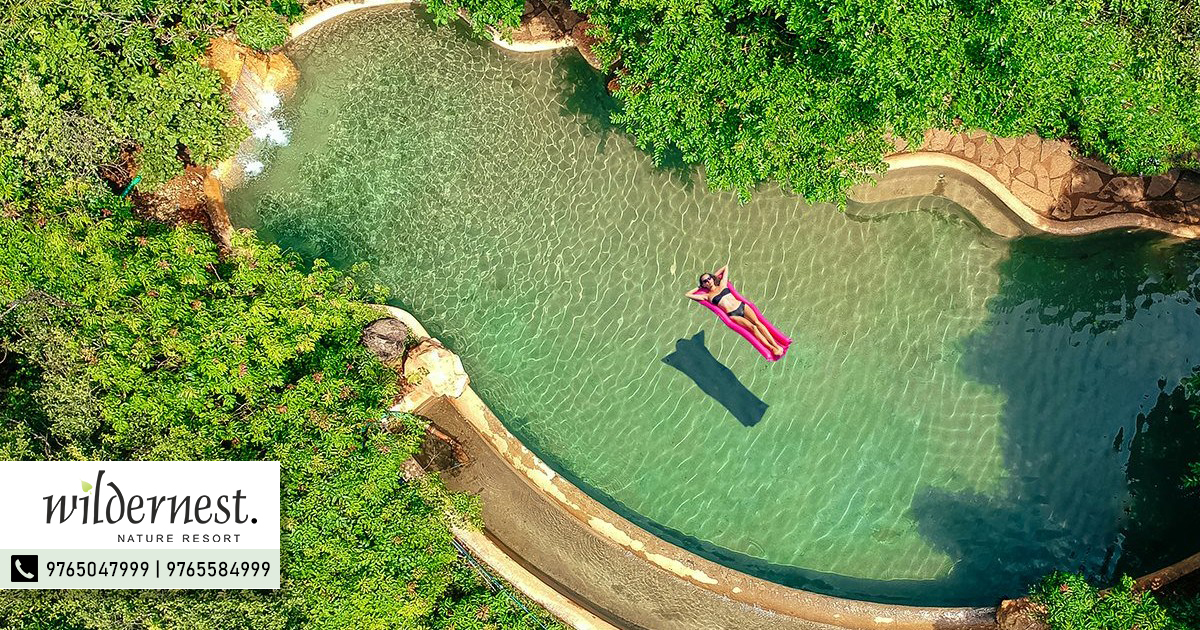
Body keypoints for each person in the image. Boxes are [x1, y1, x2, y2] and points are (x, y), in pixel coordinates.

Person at [687, 265, 785, 357]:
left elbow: (725, 267)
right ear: (703, 284)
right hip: (733, 314)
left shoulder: (722, 284)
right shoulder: (707, 296)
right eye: (705, 281)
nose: (708, 281)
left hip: (742, 306)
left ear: (712, 278)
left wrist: (714, 276)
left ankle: (775, 345)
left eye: (709, 278)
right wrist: (700, 287)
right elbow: (688, 294)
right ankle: (771, 348)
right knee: (753, 328)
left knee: (758, 323)